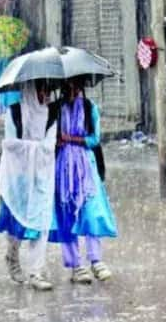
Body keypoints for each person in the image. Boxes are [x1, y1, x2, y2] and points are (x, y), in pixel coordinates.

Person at [49, 77, 117, 284]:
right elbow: (47, 138)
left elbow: (94, 139)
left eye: (77, 87)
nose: (74, 91)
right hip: (61, 168)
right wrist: (56, 141)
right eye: (69, 87)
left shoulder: (89, 108)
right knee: (66, 214)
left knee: (91, 211)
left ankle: (96, 260)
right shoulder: (54, 110)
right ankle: (76, 265)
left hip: (86, 167)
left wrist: (71, 139)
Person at [0, 80, 58, 291]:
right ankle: (12, 256)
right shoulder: (13, 112)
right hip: (17, 177)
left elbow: (49, 147)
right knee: (16, 224)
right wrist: (35, 148)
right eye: (42, 89)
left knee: (40, 223)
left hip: (41, 175)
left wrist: (31, 148)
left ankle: (36, 272)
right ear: (31, 90)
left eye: (49, 90)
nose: (46, 95)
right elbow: (10, 144)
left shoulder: (51, 115)